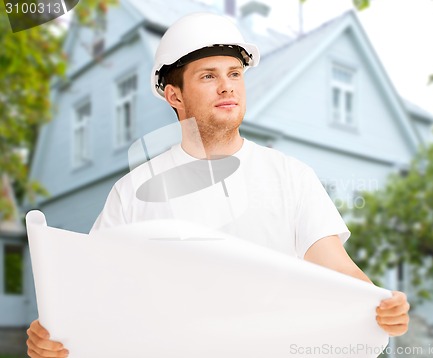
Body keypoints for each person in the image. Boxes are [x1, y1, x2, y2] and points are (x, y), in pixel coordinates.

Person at [26, 12, 410, 358]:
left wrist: (380, 304)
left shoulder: (290, 176)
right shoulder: (133, 192)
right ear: (174, 95)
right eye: (209, 76)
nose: (227, 87)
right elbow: (94, 293)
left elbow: (338, 269)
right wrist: (53, 338)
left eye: (235, 73)